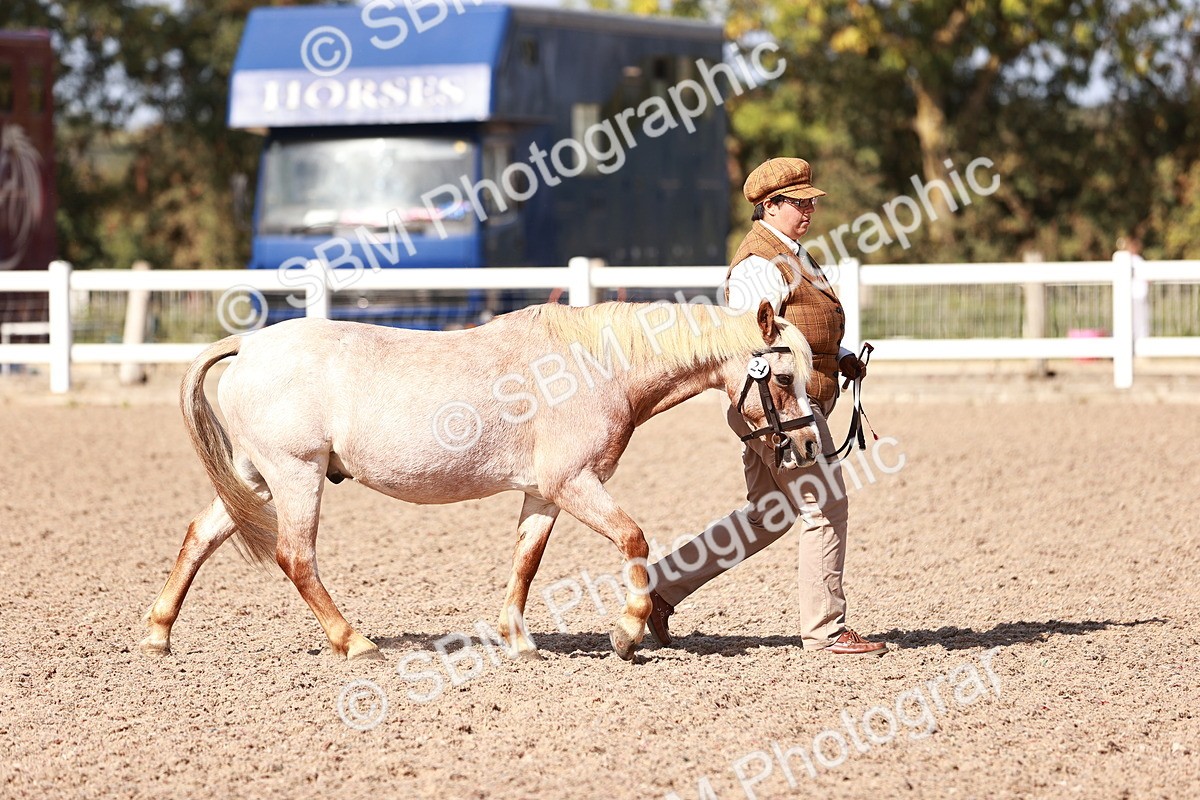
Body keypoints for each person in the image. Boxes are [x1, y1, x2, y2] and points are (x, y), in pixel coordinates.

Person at [646, 157, 887, 656]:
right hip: (779, 408)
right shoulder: (759, 265)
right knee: (826, 505)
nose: (809, 210)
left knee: (768, 515)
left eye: (810, 201)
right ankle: (825, 631)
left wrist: (839, 356)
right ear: (769, 206)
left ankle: (658, 589)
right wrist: (778, 412)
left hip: (788, 401)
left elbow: (794, 328)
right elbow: (751, 343)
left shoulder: (793, 254)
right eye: (798, 203)